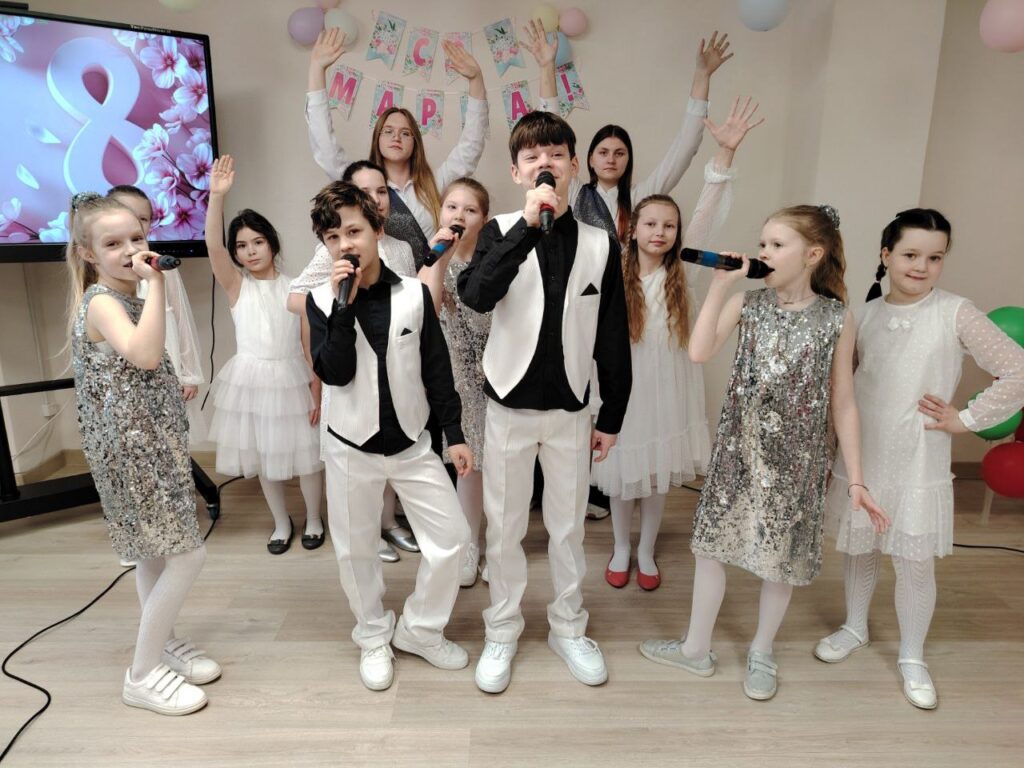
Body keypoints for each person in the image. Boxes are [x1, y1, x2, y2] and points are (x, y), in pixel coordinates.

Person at [639, 205, 888, 702]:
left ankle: (762, 650)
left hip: (798, 463)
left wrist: (857, 479)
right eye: (763, 244)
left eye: (777, 245)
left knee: (779, 560)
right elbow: (698, 351)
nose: (764, 253)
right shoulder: (749, 304)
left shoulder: (836, 318)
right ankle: (695, 648)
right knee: (711, 548)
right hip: (738, 453)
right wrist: (720, 287)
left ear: (812, 255)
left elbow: (843, 401)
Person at [816, 208, 1024, 709]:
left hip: (918, 457)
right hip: (865, 452)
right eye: (910, 254)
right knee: (860, 547)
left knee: (913, 562)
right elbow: (845, 389)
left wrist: (965, 418)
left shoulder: (955, 312)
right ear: (886, 255)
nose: (921, 266)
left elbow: (1018, 368)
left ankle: (912, 655)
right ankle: (855, 626)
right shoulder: (862, 315)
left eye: (934, 258)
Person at [458, 110, 632, 693]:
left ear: (573, 165)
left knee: (567, 528)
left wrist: (612, 414)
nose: (545, 164)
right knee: (504, 528)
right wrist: (528, 227)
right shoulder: (499, 230)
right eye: (532, 156)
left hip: (571, 410)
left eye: (555, 154)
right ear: (516, 171)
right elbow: (476, 296)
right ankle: (502, 629)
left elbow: (611, 332)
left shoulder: (600, 244)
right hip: (508, 406)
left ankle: (568, 626)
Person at [306, 182, 472, 691]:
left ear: (377, 230)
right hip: (349, 445)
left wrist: (454, 434)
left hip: (412, 442)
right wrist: (343, 307)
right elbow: (333, 373)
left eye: (354, 231)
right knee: (354, 551)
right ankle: (373, 634)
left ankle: (420, 629)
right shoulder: (320, 300)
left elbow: (437, 370)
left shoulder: (415, 295)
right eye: (333, 237)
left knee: (452, 540)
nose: (345, 244)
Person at [66, 192, 218, 715]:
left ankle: (164, 642)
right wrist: (158, 283)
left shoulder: (127, 296)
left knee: (154, 550)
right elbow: (147, 355)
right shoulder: (103, 302)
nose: (130, 250)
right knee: (188, 553)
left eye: (137, 237)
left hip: (153, 442)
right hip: (131, 453)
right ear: (88, 254)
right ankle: (142, 673)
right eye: (113, 244)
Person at [204, 155, 324, 553]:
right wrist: (216, 197)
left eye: (257, 242)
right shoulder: (236, 286)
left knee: (307, 457)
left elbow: (308, 345)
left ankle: (314, 518)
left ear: (272, 243)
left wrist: (316, 389)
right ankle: (280, 522)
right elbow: (212, 245)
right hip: (252, 381)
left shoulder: (297, 287)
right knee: (265, 456)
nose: (250, 251)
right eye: (241, 246)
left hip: (292, 378)